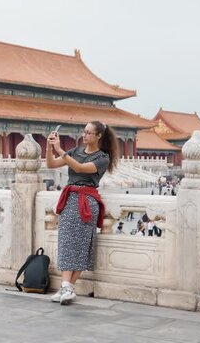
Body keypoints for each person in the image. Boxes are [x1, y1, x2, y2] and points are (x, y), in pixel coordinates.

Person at [46, 121, 118, 305]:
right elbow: (51, 164)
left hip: (87, 201)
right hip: (70, 200)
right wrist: (49, 147)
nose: (84, 136)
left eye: (88, 133)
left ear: (98, 136)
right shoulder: (76, 151)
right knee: (65, 241)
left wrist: (60, 149)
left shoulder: (103, 158)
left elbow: (79, 168)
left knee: (80, 245)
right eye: (84, 132)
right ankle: (66, 288)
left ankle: (67, 287)